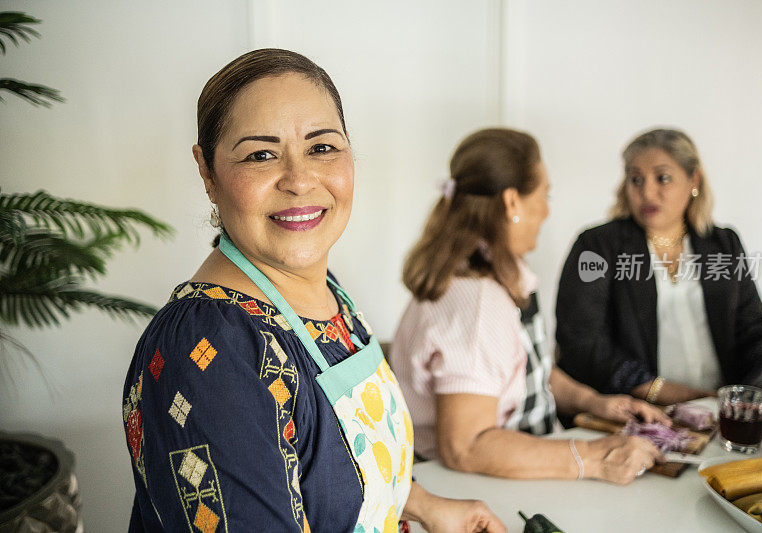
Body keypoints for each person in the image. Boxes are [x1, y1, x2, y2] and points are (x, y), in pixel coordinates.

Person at [122, 49, 505, 533]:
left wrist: (426, 506)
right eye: (261, 154)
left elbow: (336, 469)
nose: (301, 180)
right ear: (208, 172)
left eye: (322, 147)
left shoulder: (325, 292)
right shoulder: (209, 350)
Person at [391, 128, 667, 484]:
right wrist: (598, 457)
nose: (548, 210)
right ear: (511, 202)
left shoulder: (500, 273)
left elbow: (522, 369)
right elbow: (466, 446)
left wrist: (593, 402)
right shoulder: (478, 304)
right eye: (545, 194)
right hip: (483, 484)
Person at [555, 128, 762, 404]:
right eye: (636, 179)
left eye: (663, 178)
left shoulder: (723, 244)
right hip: (638, 412)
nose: (647, 192)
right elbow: (582, 343)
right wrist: (659, 390)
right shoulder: (597, 246)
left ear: (693, 179)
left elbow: (752, 330)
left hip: (720, 408)